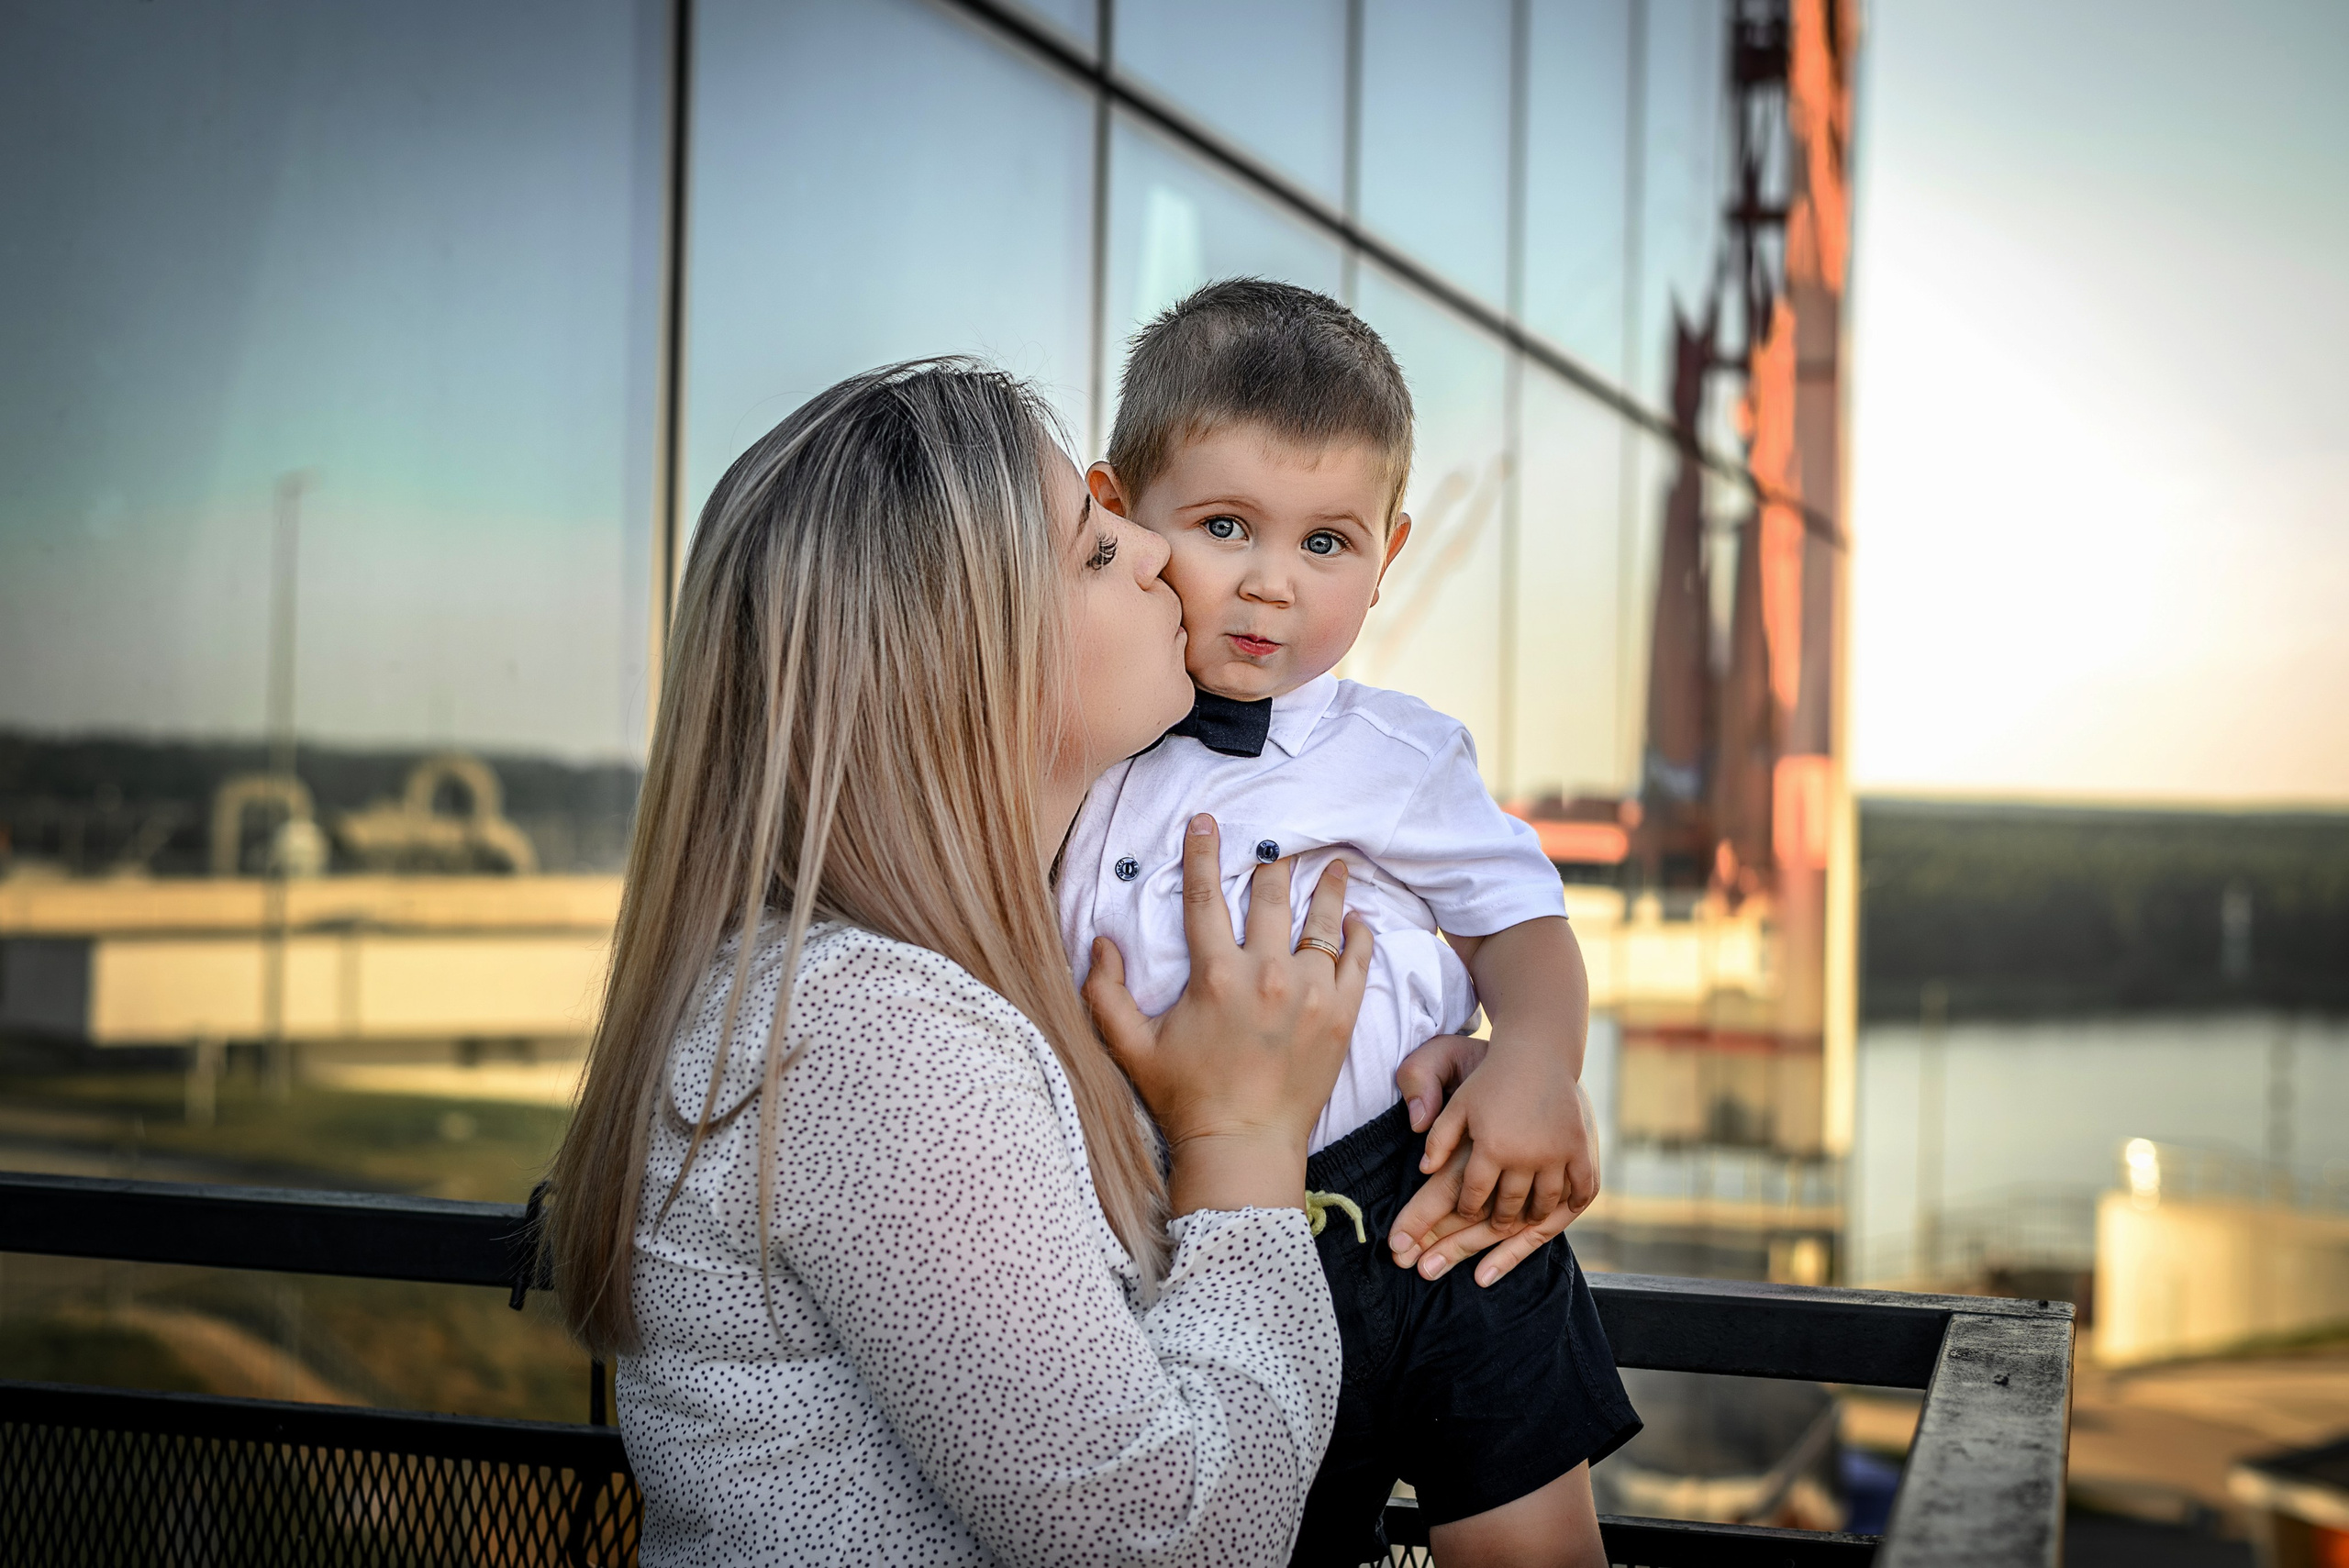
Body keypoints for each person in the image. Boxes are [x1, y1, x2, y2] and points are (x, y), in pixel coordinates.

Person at [545, 361, 1385, 1566]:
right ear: (964, 659)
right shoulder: (873, 1037)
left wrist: (1442, 1069)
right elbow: (1171, 1547)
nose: (1157, 553)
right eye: (1095, 550)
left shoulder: (908, 994)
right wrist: (1246, 1144)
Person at [1063, 280, 1641, 1568]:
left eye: (1327, 542)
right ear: (1119, 513)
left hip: (1424, 1202)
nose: (1272, 584)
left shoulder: (1397, 754)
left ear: (1389, 557)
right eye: (1226, 526)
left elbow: (1520, 922)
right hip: (1185, 1240)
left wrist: (1535, 1061)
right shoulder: (1078, 745)